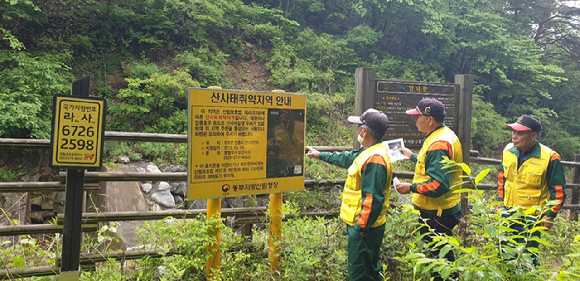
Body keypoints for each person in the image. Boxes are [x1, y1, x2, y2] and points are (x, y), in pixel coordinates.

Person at [306, 108, 393, 281]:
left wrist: (360, 229)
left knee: (360, 275)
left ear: (364, 131)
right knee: (369, 271)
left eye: (359, 126)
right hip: (366, 227)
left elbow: (373, 199)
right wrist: (319, 155)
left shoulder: (375, 159)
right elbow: (347, 158)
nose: (357, 130)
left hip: (365, 228)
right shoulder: (370, 151)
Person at [395, 98, 463, 281]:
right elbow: (433, 165)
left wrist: (411, 188)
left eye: (418, 117)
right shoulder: (444, 135)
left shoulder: (438, 144)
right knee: (442, 256)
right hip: (445, 208)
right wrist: (413, 157)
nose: (415, 120)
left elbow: (439, 184)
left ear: (430, 119)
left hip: (437, 212)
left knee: (440, 261)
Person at [497, 115, 567, 266]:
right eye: (513, 132)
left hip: (532, 218)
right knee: (505, 253)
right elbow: (502, 178)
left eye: (520, 133)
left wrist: (550, 216)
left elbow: (558, 191)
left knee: (526, 257)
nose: (514, 136)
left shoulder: (549, 157)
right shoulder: (508, 151)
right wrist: (500, 202)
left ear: (533, 135)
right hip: (508, 213)